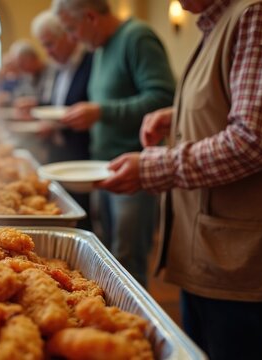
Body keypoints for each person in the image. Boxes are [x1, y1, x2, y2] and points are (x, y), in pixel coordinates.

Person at [98, 0, 262, 358]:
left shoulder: (257, 15)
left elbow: (255, 141)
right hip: (205, 248)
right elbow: (226, 104)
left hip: (235, 260)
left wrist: (154, 168)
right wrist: (177, 116)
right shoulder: (214, 24)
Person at [53, 0, 176, 287]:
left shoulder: (137, 37)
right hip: (103, 167)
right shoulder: (101, 48)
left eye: (72, 29)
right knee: (110, 258)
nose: (72, 38)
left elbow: (164, 98)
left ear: (91, 17)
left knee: (127, 260)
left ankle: (132, 329)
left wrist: (101, 111)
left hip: (133, 167)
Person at [31, 10, 93, 230]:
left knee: (83, 219)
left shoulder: (90, 61)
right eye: (44, 46)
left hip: (83, 155)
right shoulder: (58, 68)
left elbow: (89, 107)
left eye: (50, 44)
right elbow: (55, 105)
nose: (47, 52)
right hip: (60, 151)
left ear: (68, 35)